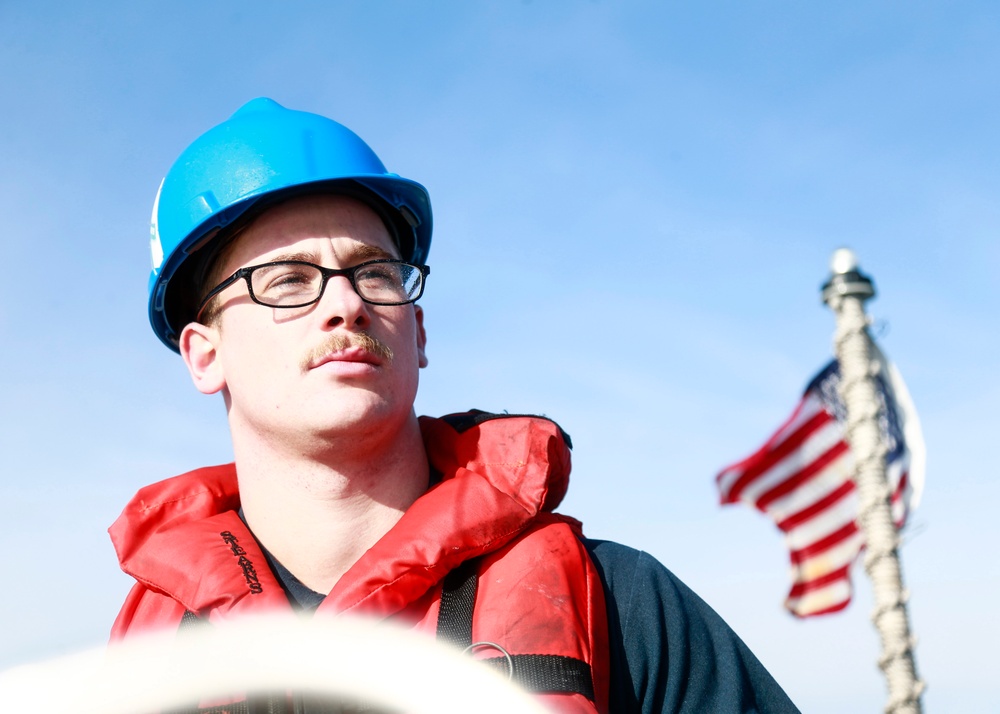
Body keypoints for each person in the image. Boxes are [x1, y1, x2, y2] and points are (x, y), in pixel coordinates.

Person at [110, 97, 799, 714]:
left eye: (375, 274)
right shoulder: (139, 672)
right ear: (205, 354)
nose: (346, 304)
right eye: (287, 280)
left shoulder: (622, 607)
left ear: (419, 331)